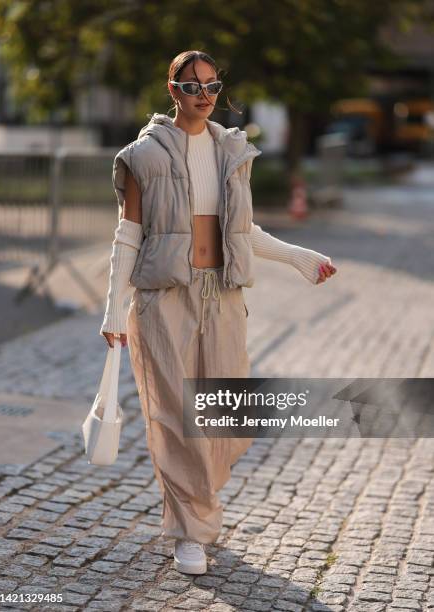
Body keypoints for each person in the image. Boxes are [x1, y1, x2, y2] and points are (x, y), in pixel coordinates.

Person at [100, 50, 337, 575]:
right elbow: (128, 236)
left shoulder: (232, 152)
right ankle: (191, 531)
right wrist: (114, 310)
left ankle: (197, 507)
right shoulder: (144, 156)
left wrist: (302, 258)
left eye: (210, 85)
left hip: (223, 292)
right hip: (165, 297)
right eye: (191, 86)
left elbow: (242, 232)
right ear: (172, 89)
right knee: (175, 417)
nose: (203, 95)